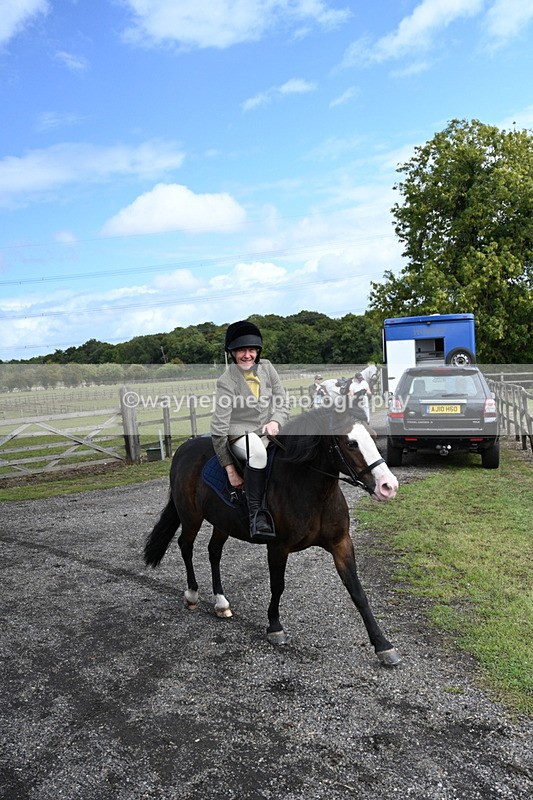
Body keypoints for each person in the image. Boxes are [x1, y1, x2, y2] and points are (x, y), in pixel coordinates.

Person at [211, 320, 289, 541]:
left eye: (251, 350)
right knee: (257, 452)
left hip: (266, 427)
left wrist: (276, 420)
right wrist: (230, 470)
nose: (247, 355)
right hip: (239, 431)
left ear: (258, 351)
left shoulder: (267, 367)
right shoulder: (226, 382)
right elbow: (218, 428)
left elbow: (282, 401)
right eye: (241, 350)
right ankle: (257, 515)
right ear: (233, 353)